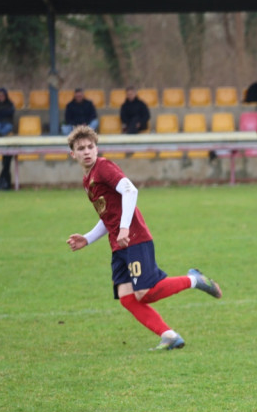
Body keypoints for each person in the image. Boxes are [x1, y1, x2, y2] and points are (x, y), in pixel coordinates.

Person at [64, 125, 222, 351]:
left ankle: (194, 280)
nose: (87, 151)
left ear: (97, 148)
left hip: (134, 237)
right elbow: (108, 217)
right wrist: (87, 239)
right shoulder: (87, 179)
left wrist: (126, 228)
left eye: (90, 147)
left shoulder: (103, 167)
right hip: (119, 243)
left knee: (145, 292)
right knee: (126, 296)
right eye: (81, 148)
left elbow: (131, 191)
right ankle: (169, 336)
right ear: (73, 154)